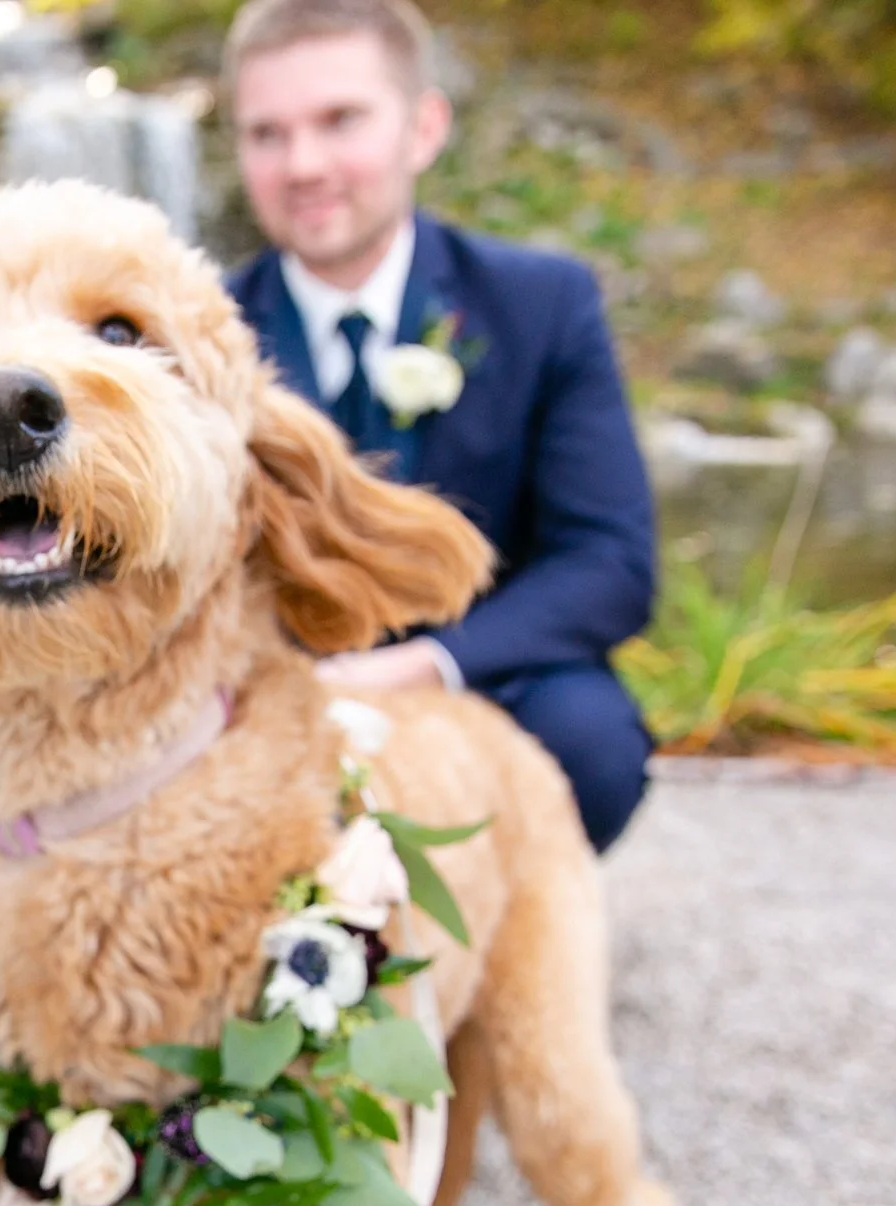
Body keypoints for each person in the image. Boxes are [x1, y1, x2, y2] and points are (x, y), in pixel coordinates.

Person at [223, 0, 659, 851]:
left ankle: (510, 937)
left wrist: (418, 669)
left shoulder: (542, 303)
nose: (302, 163)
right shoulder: (206, 329)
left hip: (480, 670)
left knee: (591, 739)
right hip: (274, 676)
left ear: (422, 128)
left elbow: (610, 562)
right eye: (266, 134)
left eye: (340, 120)